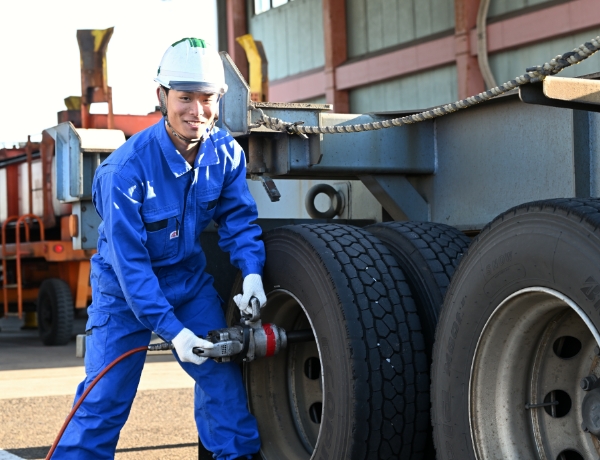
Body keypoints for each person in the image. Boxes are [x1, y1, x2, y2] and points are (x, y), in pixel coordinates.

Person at [53, 38, 267, 460]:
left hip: (187, 283)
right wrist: (174, 333)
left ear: (219, 99)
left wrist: (252, 271)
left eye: (207, 98)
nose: (196, 110)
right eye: (184, 97)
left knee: (224, 388)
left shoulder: (225, 154)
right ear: (162, 97)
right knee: (104, 401)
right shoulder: (125, 172)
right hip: (123, 294)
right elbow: (131, 268)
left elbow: (238, 220)